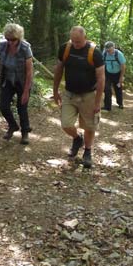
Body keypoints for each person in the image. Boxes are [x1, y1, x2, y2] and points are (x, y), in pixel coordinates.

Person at [53, 26, 105, 169]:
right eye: (73, 41)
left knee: (90, 125)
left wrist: (97, 102)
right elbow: (58, 70)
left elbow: (101, 79)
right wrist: (55, 90)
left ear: (85, 38)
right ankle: (77, 139)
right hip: (69, 93)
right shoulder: (65, 49)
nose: (75, 44)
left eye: (79, 41)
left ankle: (87, 152)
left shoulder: (95, 53)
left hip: (89, 95)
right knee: (66, 124)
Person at [0, 23, 34, 144]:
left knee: (22, 107)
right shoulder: (2, 45)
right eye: (8, 39)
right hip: (7, 80)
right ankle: (12, 126)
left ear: (19, 37)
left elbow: (29, 72)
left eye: (13, 39)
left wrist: (26, 91)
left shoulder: (25, 48)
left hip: (22, 81)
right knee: (3, 106)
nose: (10, 42)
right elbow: (0, 61)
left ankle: (25, 133)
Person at [102, 41, 126, 111]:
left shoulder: (119, 54)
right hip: (108, 73)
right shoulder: (104, 53)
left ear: (113, 48)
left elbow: (123, 66)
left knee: (118, 88)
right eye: (107, 49)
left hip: (117, 73)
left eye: (109, 49)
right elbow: (102, 64)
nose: (108, 51)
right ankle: (107, 106)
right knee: (107, 89)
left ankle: (120, 103)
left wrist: (121, 77)